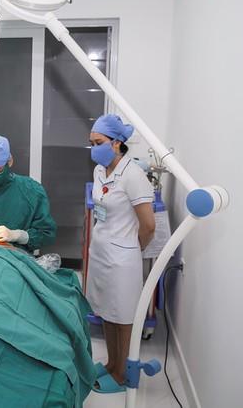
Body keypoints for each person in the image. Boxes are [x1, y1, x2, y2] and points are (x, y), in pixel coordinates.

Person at [85, 115, 156, 393]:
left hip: (123, 258)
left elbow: (148, 226)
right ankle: (112, 363)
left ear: (116, 143)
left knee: (123, 316)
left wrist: (133, 248)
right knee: (106, 311)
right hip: (101, 251)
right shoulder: (99, 171)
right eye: (91, 143)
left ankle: (122, 374)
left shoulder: (133, 175)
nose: (94, 148)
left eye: (98, 142)